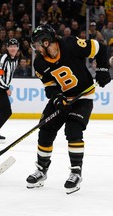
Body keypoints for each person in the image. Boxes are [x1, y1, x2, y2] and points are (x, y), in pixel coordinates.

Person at [27, 24, 111, 194]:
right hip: (63, 98)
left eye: (37, 44)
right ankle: (42, 171)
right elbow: (50, 86)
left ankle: (75, 173)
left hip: (82, 97)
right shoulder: (39, 63)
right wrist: (58, 99)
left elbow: (100, 49)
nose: (36, 48)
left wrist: (102, 69)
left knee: (73, 129)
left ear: (46, 42)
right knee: (45, 129)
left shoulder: (70, 44)